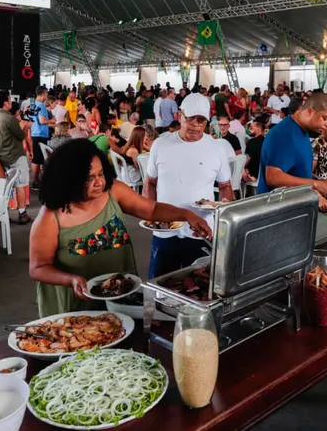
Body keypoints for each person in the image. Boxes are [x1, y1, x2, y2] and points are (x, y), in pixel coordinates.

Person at [29, 139, 210, 316]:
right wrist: (70, 279)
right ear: (68, 179)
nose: (99, 182)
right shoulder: (50, 218)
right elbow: (38, 267)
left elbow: (151, 209)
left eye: (100, 174)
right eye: (89, 178)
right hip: (77, 306)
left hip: (121, 295)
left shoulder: (113, 191)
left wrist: (186, 215)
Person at [145, 93, 233, 278]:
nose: (195, 125)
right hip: (165, 230)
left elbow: (225, 185)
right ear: (179, 116)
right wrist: (150, 213)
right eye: (190, 118)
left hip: (201, 231)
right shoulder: (160, 144)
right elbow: (150, 182)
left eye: (201, 120)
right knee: (160, 285)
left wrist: (225, 206)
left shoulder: (217, 148)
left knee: (198, 288)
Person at [258, 92, 327, 210]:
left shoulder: (302, 131)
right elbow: (273, 177)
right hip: (276, 211)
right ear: (310, 111)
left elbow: (294, 170)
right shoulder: (284, 134)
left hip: (294, 207)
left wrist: (321, 181)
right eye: (325, 118)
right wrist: (317, 185)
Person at [0, 90, 32, 224]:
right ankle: (22, 213)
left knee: (5, 186)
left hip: (1, 154)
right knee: (20, 184)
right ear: (5, 103)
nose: (11, 102)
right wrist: (25, 126)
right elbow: (21, 136)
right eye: (9, 99)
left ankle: (1, 213)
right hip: (15, 154)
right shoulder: (9, 118)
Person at [27, 86, 55, 189]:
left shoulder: (32, 103)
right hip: (40, 134)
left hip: (34, 132)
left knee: (36, 159)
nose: (47, 96)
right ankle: (35, 181)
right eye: (46, 94)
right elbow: (42, 121)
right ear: (43, 94)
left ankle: (36, 180)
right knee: (38, 160)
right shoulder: (42, 106)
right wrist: (52, 121)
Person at [243, 117, 266, 181]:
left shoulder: (252, 142)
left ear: (259, 129)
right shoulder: (268, 141)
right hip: (265, 173)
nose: (249, 129)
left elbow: (246, 161)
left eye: (252, 128)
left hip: (253, 174)